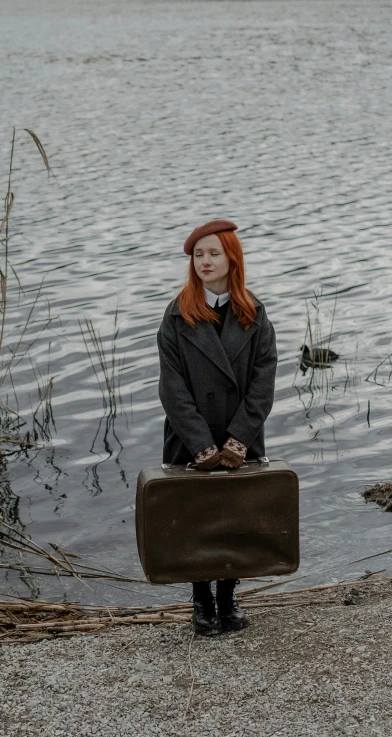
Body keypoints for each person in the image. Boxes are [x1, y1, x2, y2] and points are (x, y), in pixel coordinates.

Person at [156, 219, 278, 636]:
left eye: (213, 252)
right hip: (190, 436)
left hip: (240, 435)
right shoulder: (176, 316)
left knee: (236, 516)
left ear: (231, 257)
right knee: (196, 518)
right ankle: (201, 602)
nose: (204, 261)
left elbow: (264, 380)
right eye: (197, 254)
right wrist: (202, 446)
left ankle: (228, 597)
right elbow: (172, 388)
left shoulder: (254, 313)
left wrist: (238, 438)